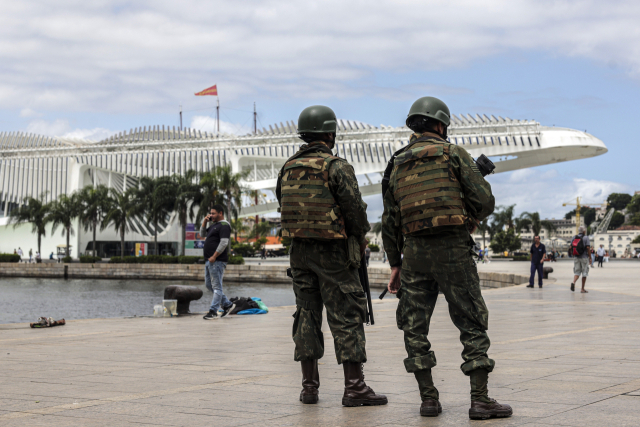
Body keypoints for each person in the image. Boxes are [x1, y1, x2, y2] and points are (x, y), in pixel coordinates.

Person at [382, 96, 511, 420]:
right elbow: (483, 201)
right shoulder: (453, 154)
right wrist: (468, 212)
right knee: (471, 321)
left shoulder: (396, 163)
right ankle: (479, 400)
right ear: (440, 124)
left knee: (414, 325)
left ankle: (428, 399)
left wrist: (395, 264)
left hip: (413, 253)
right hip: (453, 248)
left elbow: (390, 220)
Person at [276, 105, 387, 408]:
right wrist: (360, 238)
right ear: (329, 133)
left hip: (299, 254)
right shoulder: (336, 166)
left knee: (307, 315)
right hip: (334, 254)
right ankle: (354, 387)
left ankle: (309, 388)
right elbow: (354, 210)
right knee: (347, 316)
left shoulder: (287, 167)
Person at [201, 205, 235, 320]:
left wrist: (214, 256)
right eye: (210, 213)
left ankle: (213, 311)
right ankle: (227, 304)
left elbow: (224, 242)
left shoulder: (224, 225)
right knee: (209, 285)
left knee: (216, 287)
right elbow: (202, 234)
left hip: (217, 260)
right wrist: (205, 222)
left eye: (213, 213)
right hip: (209, 260)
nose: (211, 215)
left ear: (220, 213)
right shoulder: (213, 226)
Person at [570, 226, 592, 293]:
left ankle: (573, 282)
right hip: (584, 257)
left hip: (576, 257)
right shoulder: (586, 237)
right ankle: (582, 289)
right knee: (584, 273)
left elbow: (571, 247)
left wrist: (573, 254)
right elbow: (588, 248)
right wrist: (590, 257)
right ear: (584, 231)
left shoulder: (574, 237)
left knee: (577, 272)